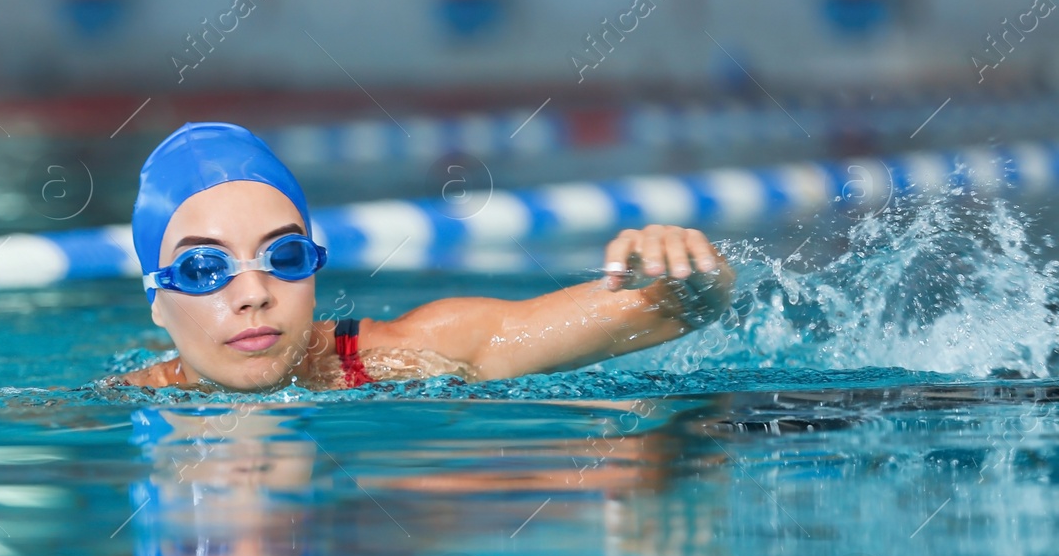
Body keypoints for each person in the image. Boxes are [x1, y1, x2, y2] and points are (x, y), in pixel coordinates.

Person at [118, 122, 734, 392]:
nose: (252, 293)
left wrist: (688, 273)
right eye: (203, 270)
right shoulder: (114, 410)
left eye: (283, 257)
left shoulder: (406, 354)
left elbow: (672, 312)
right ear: (157, 302)